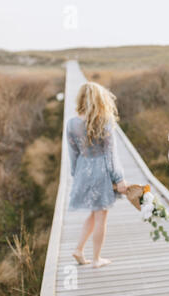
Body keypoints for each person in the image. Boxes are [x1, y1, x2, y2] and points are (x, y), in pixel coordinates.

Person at [66, 81, 127, 268]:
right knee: (101, 217)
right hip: (101, 173)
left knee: (94, 214)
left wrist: (76, 175)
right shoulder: (105, 121)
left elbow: (73, 153)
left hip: (84, 169)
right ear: (101, 99)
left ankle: (79, 249)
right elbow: (111, 155)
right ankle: (96, 259)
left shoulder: (72, 123)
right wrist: (119, 179)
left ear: (81, 99)